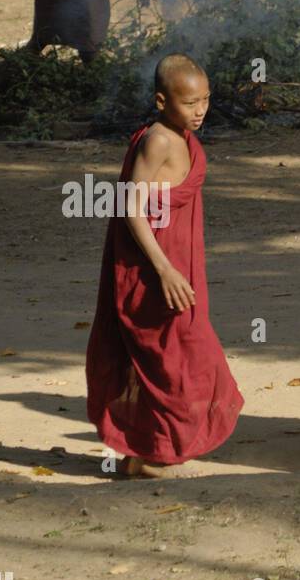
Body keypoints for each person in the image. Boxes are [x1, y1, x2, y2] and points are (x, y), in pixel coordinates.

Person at [86, 54, 243, 476]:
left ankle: (143, 453)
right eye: (190, 102)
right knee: (176, 354)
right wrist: (164, 270)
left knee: (177, 352)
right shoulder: (157, 140)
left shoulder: (182, 136)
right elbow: (130, 208)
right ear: (161, 100)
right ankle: (153, 452)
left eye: (206, 100)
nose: (201, 110)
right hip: (153, 267)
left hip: (179, 260)